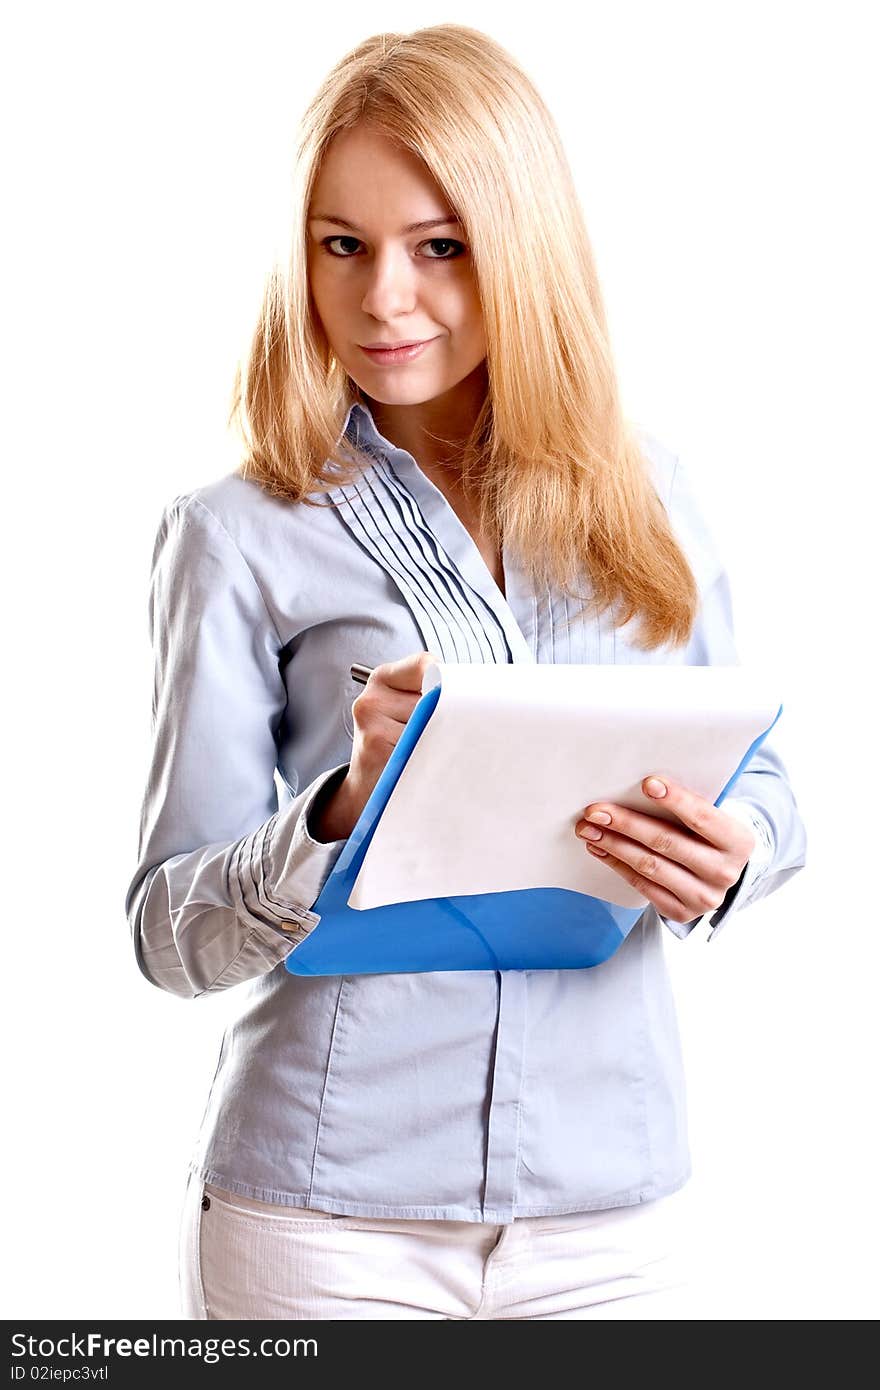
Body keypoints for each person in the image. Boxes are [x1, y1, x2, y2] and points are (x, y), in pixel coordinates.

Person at [124, 23, 807, 1321]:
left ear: (521, 245)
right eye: (343, 245)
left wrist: (734, 848)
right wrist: (336, 807)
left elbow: (773, 786)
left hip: (617, 1221)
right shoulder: (234, 532)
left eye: (439, 246)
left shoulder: (654, 496)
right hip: (325, 1225)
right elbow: (168, 930)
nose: (384, 297)